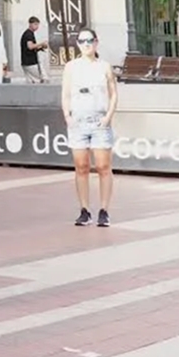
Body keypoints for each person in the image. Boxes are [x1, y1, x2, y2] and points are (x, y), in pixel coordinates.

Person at [62, 28, 117, 228]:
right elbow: (66, 93)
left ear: (96, 42)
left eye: (90, 41)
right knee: (81, 166)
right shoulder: (71, 67)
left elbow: (113, 93)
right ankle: (84, 209)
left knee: (103, 166)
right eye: (82, 41)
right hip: (78, 120)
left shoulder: (104, 67)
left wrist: (108, 116)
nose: (86, 44)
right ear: (78, 44)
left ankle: (104, 209)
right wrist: (67, 115)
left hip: (99, 120)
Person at [20, 17, 48, 83]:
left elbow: (31, 47)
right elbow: (30, 46)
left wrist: (41, 47)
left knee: (31, 82)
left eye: (38, 25)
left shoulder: (29, 33)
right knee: (42, 79)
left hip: (26, 62)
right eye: (35, 24)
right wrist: (42, 43)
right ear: (30, 24)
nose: (37, 26)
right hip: (30, 62)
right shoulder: (28, 34)